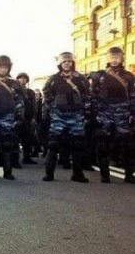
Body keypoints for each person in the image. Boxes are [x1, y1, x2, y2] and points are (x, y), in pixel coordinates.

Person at [42, 52, 90, 183]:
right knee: (53, 144)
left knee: (78, 144)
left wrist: (85, 112)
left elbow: (87, 95)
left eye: (69, 61)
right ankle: (49, 174)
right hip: (59, 115)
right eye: (64, 61)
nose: (67, 63)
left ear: (73, 63)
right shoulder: (53, 79)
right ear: (60, 64)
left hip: (76, 115)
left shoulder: (81, 79)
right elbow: (46, 93)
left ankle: (77, 174)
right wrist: (54, 106)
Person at [91, 47, 135, 183]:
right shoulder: (99, 75)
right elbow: (94, 95)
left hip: (123, 113)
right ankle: (105, 174)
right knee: (103, 143)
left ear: (121, 58)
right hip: (104, 112)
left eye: (117, 57)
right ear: (108, 59)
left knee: (128, 144)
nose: (114, 60)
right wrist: (95, 113)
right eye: (112, 57)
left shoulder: (128, 76)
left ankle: (129, 174)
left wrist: (133, 113)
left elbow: (133, 95)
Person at [16, 72, 37, 164]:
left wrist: (33, 117)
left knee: (27, 139)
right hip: (16, 118)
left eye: (24, 78)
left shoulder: (30, 92)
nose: (22, 79)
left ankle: (27, 157)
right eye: (20, 78)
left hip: (27, 118)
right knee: (14, 139)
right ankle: (14, 160)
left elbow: (34, 106)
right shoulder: (14, 90)